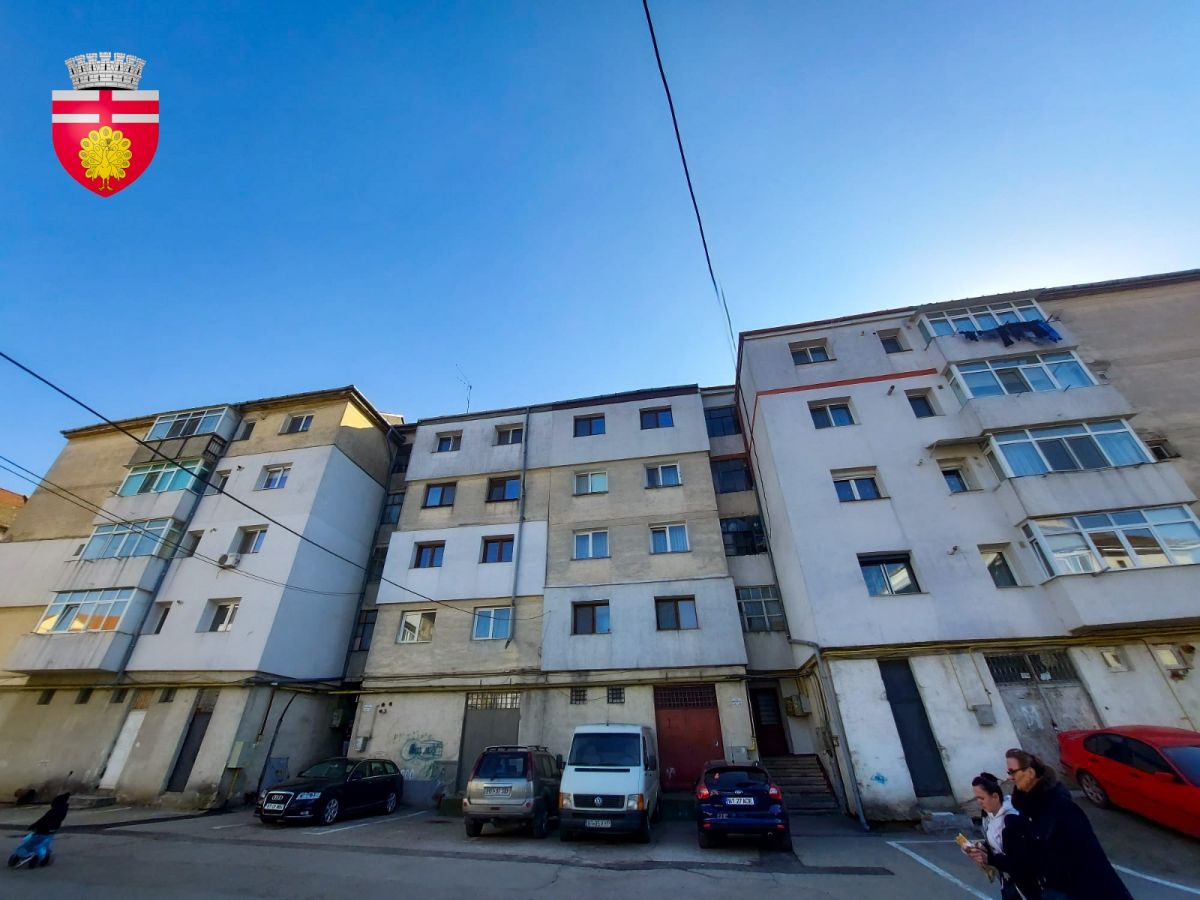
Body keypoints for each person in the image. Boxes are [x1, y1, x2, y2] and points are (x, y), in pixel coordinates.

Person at [1005, 749, 1132, 899]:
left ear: (1030, 773)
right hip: (1052, 887)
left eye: (1012, 772)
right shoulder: (1027, 807)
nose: (1010, 777)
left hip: (1078, 890)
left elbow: (1090, 857)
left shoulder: (1060, 806)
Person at [965, 772, 1041, 899]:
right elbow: (996, 845)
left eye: (982, 798)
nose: (979, 802)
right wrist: (982, 848)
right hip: (1006, 880)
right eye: (977, 798)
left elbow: (1018, 861)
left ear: (995, 796)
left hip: (1024, 884)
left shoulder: (1011, 820)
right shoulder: (989, 815)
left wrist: (989, 859)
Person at [7, 792, 70, 868]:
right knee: (43, 843)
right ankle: (39, 856)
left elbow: (44, 820)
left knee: (31, 843)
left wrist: (34, 826)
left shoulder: (55, 811)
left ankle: (24, 855)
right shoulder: (62, 810)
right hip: (51, 830)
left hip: (43, 830)